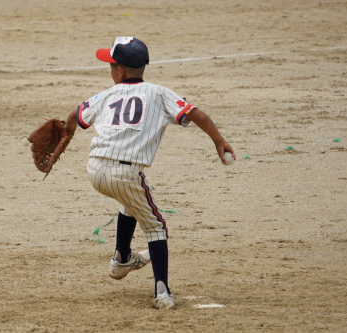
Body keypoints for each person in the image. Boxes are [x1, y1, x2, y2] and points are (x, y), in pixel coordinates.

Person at [65, 37, 235, 310]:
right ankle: (162, 293)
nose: (110, 70)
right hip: (125, 172)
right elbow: (197, 115)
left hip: (94, 168)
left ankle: (122, 258)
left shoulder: (107, 95)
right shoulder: (158, 92)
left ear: (120, 71)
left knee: (130, 202)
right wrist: (218, 141)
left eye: (110, 65)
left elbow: (75, 114)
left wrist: (68, 133)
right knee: (156, 226)